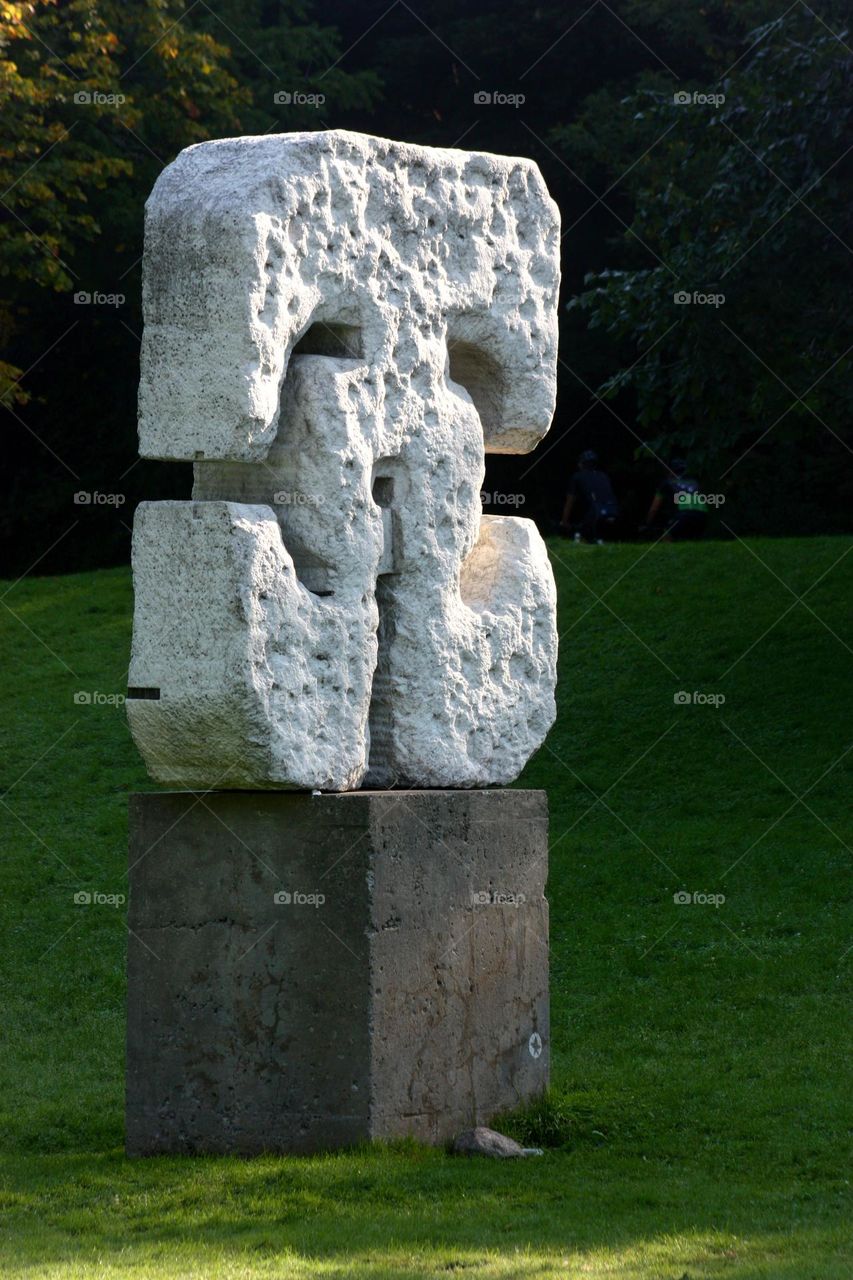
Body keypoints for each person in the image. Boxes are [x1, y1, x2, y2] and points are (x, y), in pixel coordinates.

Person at [560, 450, 619, 544]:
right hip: (614, 512)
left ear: (581, 464)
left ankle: (585, 536)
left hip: (595, 515)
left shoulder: (578, 477)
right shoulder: (603, 476)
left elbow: (570, 501)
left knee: (582, 533)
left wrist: (564, 521)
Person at [645, 458, 708, 541]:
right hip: (702, 515)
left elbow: (654, 509)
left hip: (684, 514)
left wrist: (648, 523)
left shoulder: (666, 483)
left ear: (670, 471)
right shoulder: (695, 482)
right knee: (691, 539)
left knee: (666, 537)